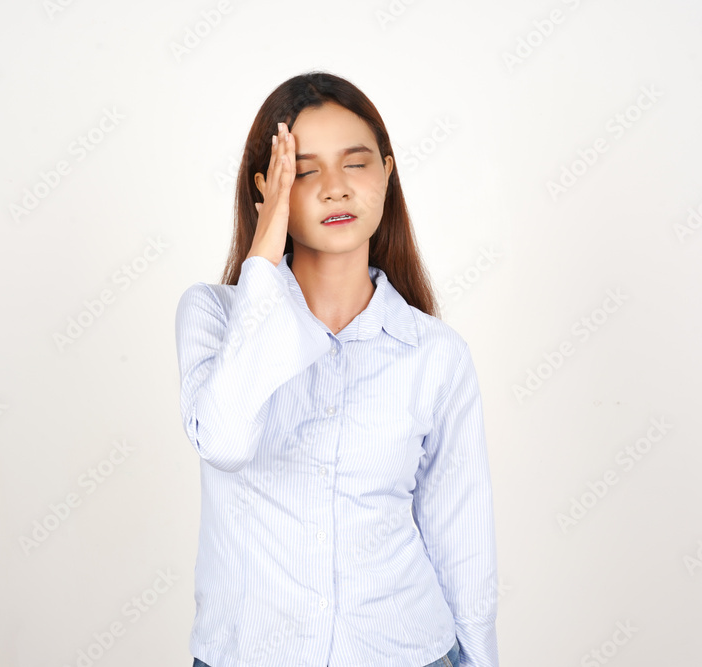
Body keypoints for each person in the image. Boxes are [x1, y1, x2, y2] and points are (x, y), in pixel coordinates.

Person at [175, 71, 499, 667]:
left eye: (356, 164)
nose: (335, 189)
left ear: (387, 173)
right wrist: (264, 255)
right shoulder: (214, 317)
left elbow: (461, 542)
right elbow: (223, 440)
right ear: (266, 189)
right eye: (302, 171)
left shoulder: (435, 354)